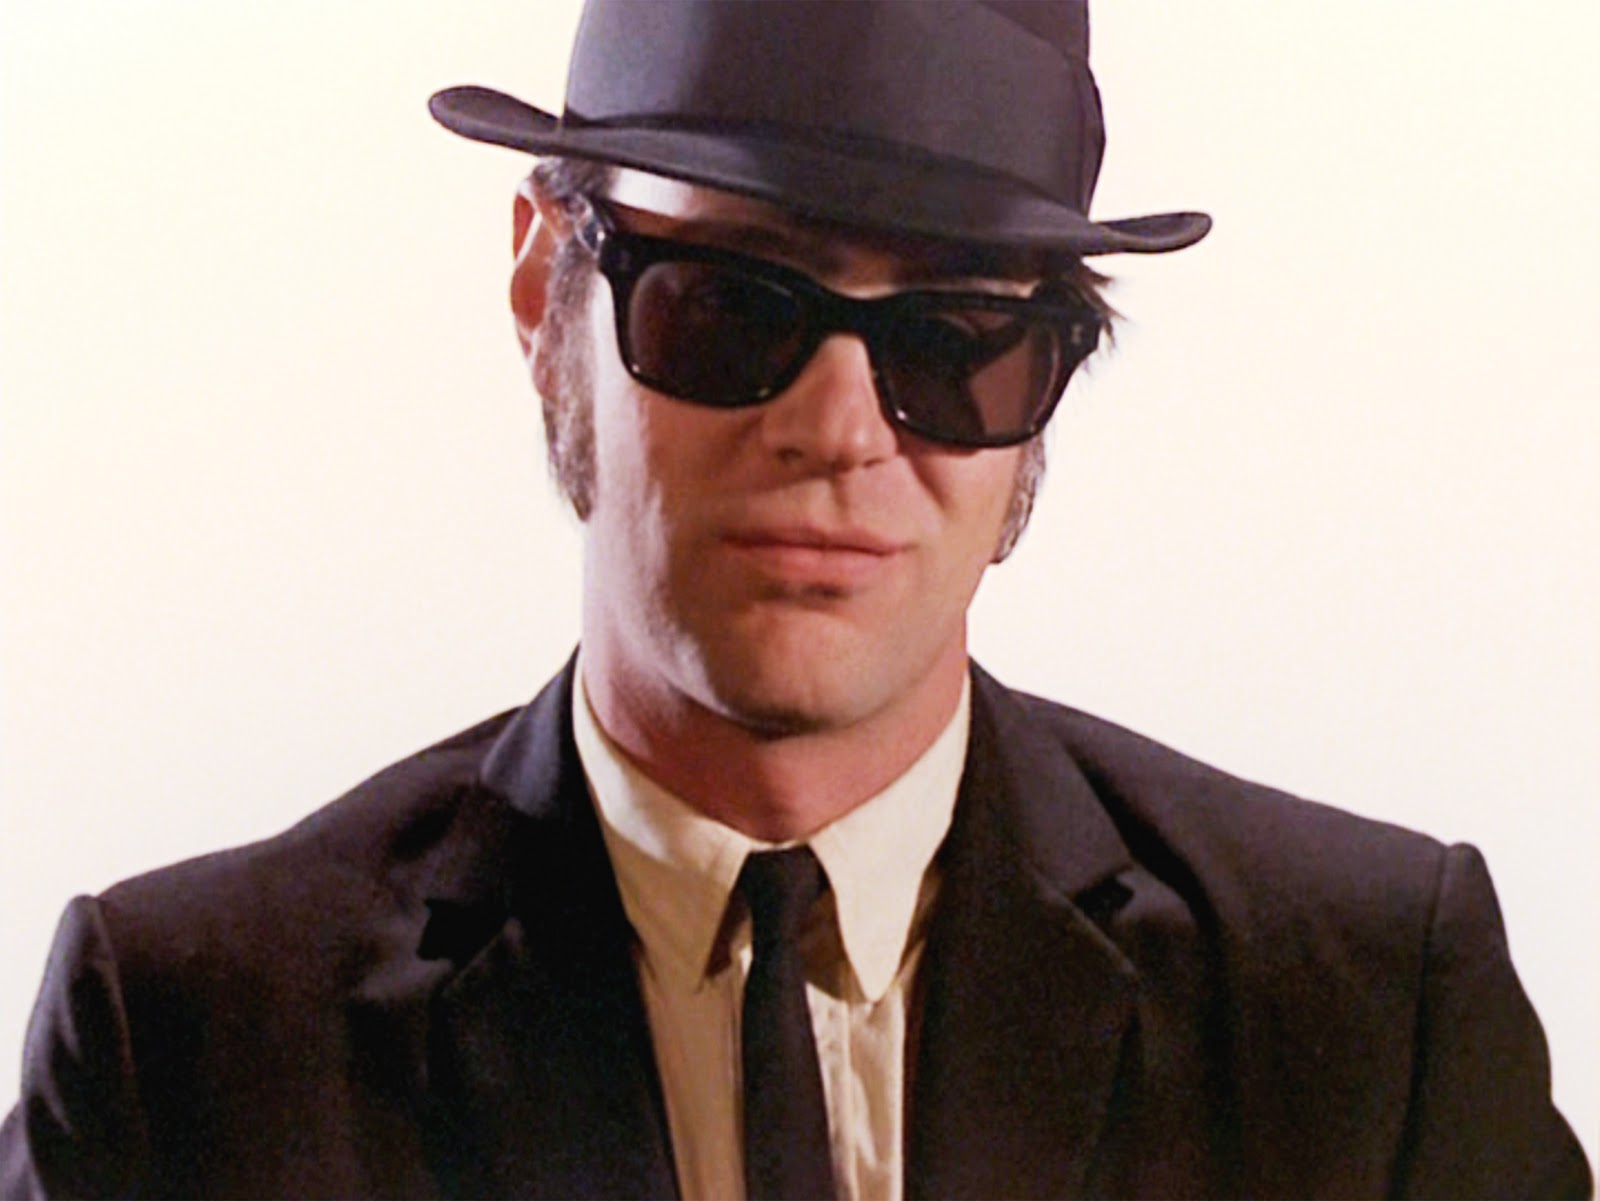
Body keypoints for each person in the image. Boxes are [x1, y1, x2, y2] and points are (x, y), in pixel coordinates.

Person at [1, 1, 1591, 1197]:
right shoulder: (186, 1054)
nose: (838, 428)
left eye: (954, 340)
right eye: (731, 306)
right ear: (543, 291)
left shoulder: (1369, 1019)